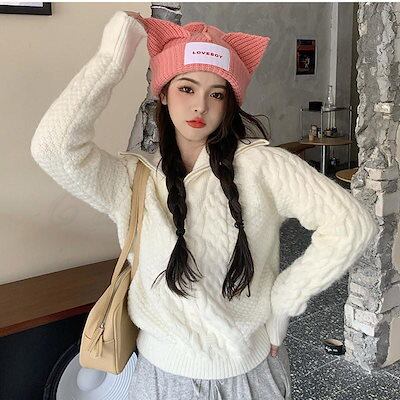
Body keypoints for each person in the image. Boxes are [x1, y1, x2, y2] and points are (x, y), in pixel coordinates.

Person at [30, 10, 378, 400]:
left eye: (216, 93)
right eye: (186, 88)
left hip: (251, 377)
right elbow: (52, 147)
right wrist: (111, 60)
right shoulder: (131, 179)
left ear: (229, 103)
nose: (200, 106)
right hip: (160, 380)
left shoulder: (262, 166)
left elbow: (352, 225)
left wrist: (284, 301)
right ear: (163, 93)